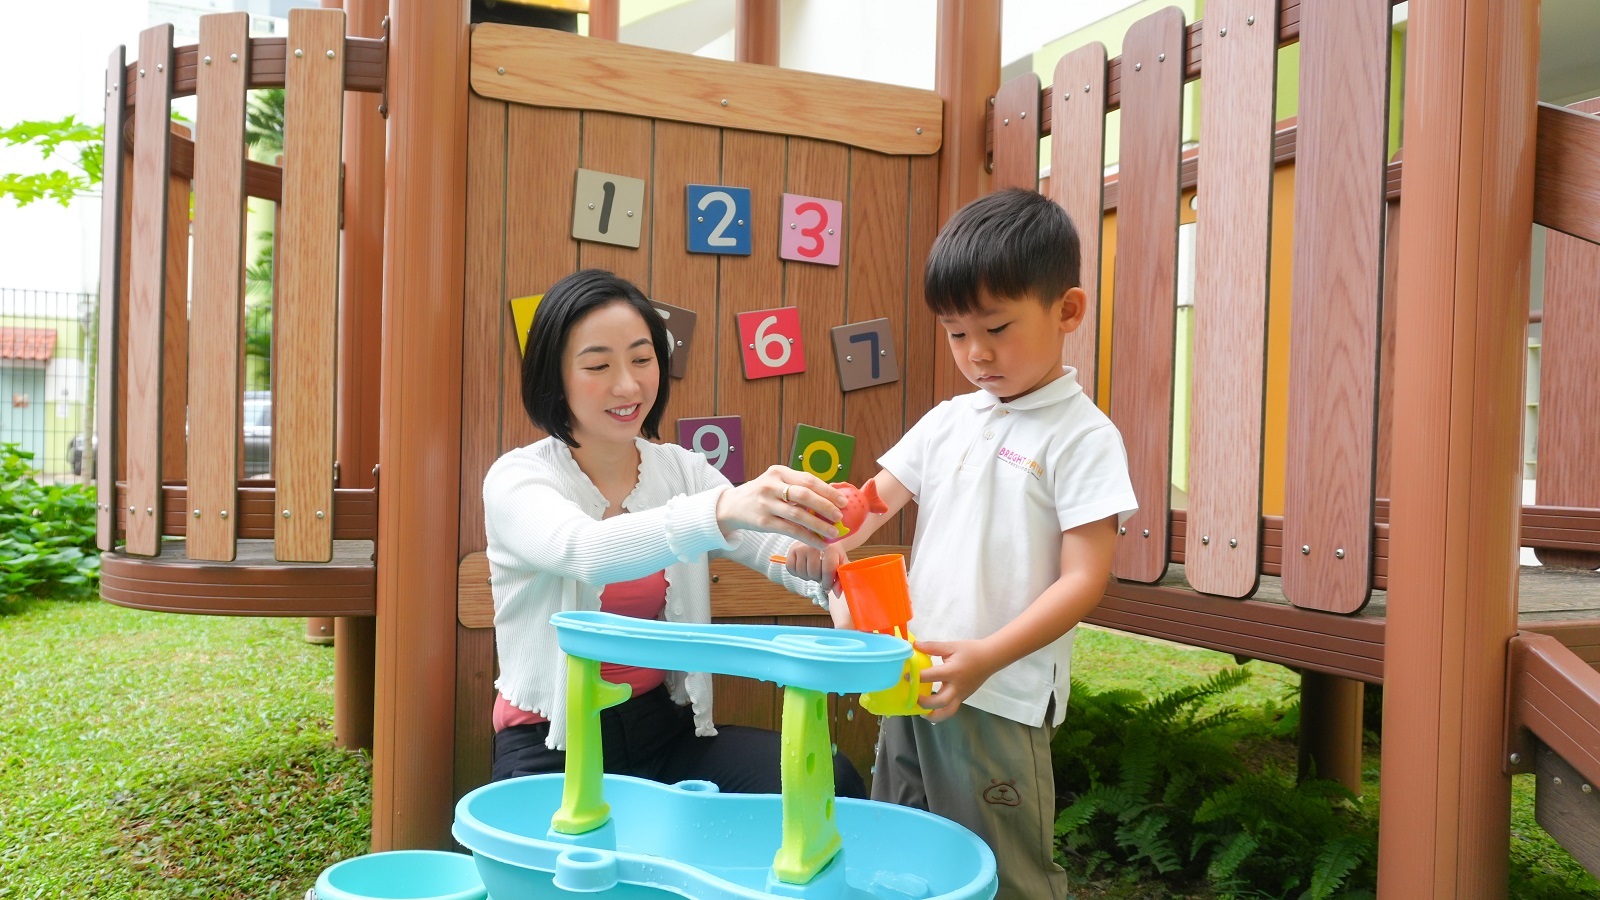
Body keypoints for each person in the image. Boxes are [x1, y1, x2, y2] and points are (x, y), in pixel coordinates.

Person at [785, 188, 1138, 898]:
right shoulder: (949, 419)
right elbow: (873, 501)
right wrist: (821, 533)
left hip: (998, 692)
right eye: (954, 333)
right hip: (911, 678)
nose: (975, 353)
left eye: (997, 328)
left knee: (1003, 871)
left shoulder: (1084, 437)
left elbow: (1084, 580)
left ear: (1068, 310)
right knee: (900, 845)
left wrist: (986, 658)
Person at [483, 268, 866, 799]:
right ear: (554, 375)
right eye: (598, 365)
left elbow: (780, 552)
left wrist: (821, 568)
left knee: (828, 779)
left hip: (662, 732)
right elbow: (584, 551)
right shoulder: (518, 478)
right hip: (550, 742)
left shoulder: (683, 471)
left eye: (642, 360)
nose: (628, 384)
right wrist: (727, 505)